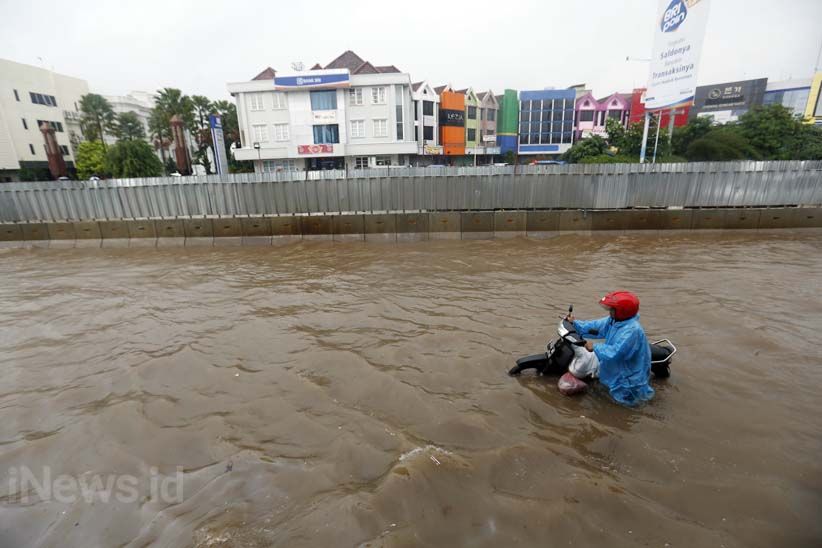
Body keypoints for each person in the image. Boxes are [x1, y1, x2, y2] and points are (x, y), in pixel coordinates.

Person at [567, 291, 654, 406]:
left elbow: (615, 352)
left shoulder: (632, 330)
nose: (610, 311)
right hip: (617, 368)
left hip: (628, 375)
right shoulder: (614, 321)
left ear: (622, 311)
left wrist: (594, 346)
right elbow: (595, 326)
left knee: (627, 405)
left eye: (612, 309)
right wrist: (575, 324)